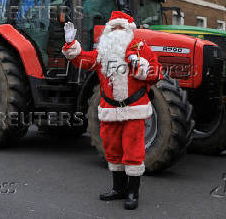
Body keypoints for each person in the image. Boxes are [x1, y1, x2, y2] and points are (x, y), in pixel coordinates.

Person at [61, 11, 161, 210]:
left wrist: (141, 67)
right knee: (112, 149)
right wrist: (71, 45)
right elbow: (84, 60)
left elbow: (156, 73)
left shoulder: (141, 49)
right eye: (113, 27)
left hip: (133, 109)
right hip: (109, 110)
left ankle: (132, 192)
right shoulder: (103, 53)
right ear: (108, 30)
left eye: (120, 28)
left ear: (128, 31)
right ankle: (118, 188)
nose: (116, 31)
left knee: (133, 151)